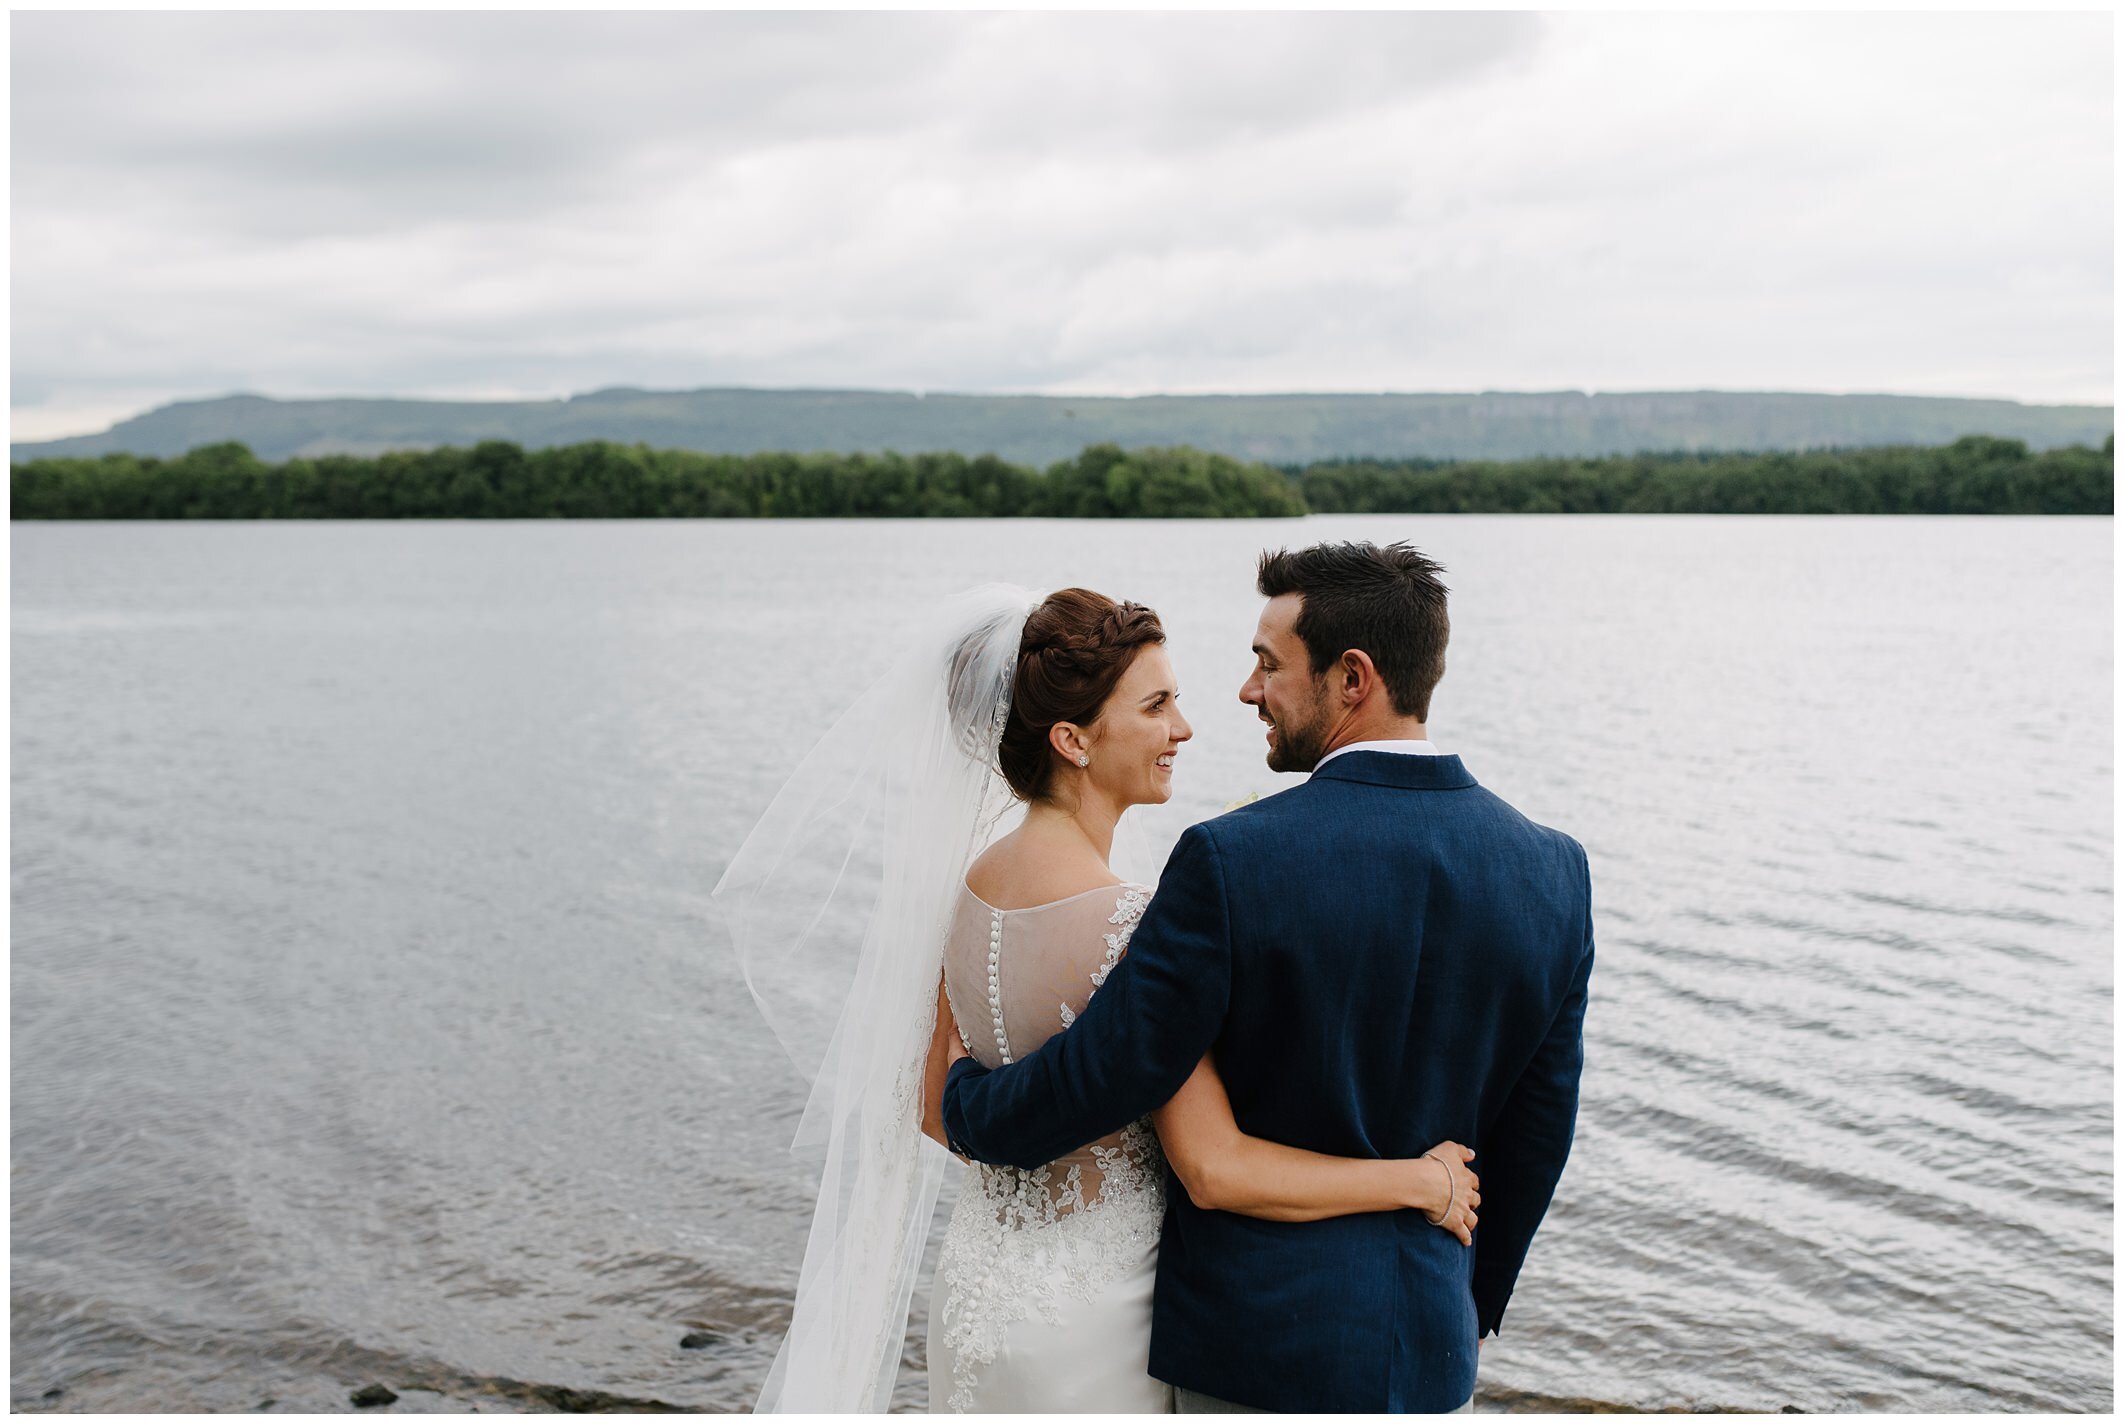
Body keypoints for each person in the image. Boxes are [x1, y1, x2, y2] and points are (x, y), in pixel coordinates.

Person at [713, 581, 1479, 1414]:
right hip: (1097, 1322)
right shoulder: (1131, 926)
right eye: (1155, 707)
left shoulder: (964, 890)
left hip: (977, 1297)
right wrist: (1417, 1182)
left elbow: (934, 1109)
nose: (1182, 728)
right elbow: (1215, 1166)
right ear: (1073, 739)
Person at [942, 542, 1595, 1413]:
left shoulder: (1232, 861)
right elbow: (1538, 1132)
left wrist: (958, 1103)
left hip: (1256, 1352)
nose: (1248, 692)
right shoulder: (1556, 873)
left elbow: (1098, 1077)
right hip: (1430, 1356)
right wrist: (1461, 1310)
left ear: (1352, 677)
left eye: (1267, 664)